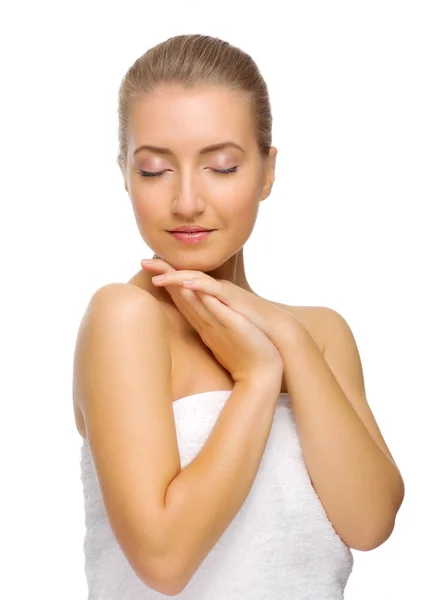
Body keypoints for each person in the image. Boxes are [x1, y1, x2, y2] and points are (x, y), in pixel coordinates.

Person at [75, 33, 404, 598]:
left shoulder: (320, 332)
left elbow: (370, 523)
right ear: (125, 174)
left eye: (221, 167)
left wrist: (289, 343)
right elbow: (164, 559)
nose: (186, 202)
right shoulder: (124, 319)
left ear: (267, 171)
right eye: (154, 170)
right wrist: (257, 380)